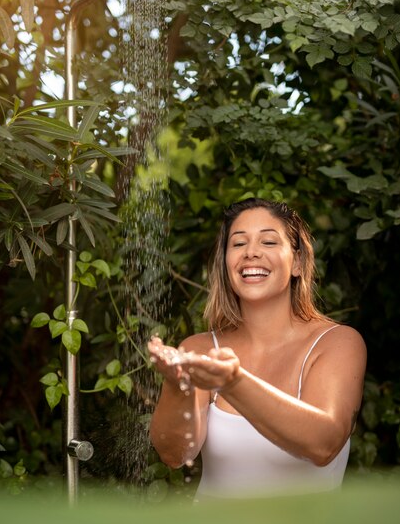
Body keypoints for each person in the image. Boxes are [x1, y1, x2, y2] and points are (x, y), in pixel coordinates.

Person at [148, 198, 366, 499]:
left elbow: (323, 444)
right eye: (238, 244)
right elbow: (174, 455)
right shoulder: (199, 348)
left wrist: (234, 383)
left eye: (268, 241)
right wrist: (177, 384)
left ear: (298, 262)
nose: (251, 252)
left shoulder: (336, 343)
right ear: (226, 263)